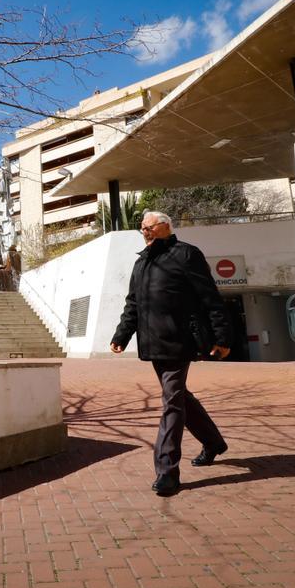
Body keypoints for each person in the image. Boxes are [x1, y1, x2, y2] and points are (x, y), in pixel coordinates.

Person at [110, 211, 231, 497]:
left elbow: (209, 297)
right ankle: (213, 442)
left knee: (172, 401)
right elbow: (133, 304)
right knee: (179, 396)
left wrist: (222, 336)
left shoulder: (186, 255)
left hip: (180, 340)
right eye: (142, 228)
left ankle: (167, 471)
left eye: (149, 227)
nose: (144, 231)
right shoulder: (142, 262)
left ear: (165, 226)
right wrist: (122, 335)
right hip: (153, 345)